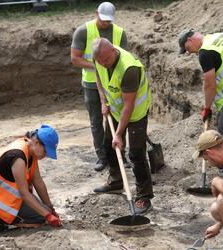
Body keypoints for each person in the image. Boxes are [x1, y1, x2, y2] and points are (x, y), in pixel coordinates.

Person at [91, 38, 153, 215]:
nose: (103, 64)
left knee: (136, 153)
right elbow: (98, 77)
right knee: (108, 146)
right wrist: (103, 101)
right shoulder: (100, 58)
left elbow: (129, 106)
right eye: (100, 62)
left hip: (135, 113)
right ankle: (116, 181)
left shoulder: (129, 69)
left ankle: (144, 196)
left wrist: (119, 134)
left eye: (106, 61)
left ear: (113, 51)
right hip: (116, 110)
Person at [71, 2, 129, 171]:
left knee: (116, 118)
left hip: (113, 84)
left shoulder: (119, 32)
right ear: (96, 13)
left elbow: (124, 57)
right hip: (91, 84)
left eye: (108, 21)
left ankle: (119, 154)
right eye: (103, 20)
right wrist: (98, 66)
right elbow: (75, 59)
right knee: (96, 121)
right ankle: (102, 157)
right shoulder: (83, 31)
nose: (105, 23)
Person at [0, 124, 62, 233]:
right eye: (45, 152)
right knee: (41, 217)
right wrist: (48, 216)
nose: (46, 155)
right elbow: (24, 194)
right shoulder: (18, 157)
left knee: (44, 210)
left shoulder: (30, 150)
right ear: (37, 142)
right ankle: (5, 222)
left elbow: (38, 181)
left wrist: (50, 208)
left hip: (10, 199)